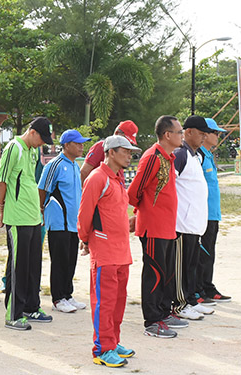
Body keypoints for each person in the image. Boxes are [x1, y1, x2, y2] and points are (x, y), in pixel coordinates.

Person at [78, 135, 140, 368]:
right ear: (111, 153)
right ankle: (102, 349)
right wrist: (85, 239)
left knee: (118, 301)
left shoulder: (117, 178)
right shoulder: (97, 178)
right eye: (125, 151)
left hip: (122, 251)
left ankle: (113, 341)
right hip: (104, 251)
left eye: (130, 152)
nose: (129, 155)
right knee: (104, 301)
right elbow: (85, 214)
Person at [127, 115, 183, 338]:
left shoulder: (168, 157)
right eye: (179, 132)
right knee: (154, 274)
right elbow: (135, 191)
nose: (182, 135)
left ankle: (163, 312)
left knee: (166, 273)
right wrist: (140, 214)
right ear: (167, 135)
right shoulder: (152, 157)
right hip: (153, 227)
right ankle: (152, 320)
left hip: (167, 226)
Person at [0, 116, 54, 330]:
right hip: (17, 217)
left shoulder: (32, 151)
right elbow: (1, 180)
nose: (42, 143)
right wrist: (2, 209)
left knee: (33, 266)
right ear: (32, 132)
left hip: (33, 216)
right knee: (18, 266)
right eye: (41, 138)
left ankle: (31, 307)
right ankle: (14, 313)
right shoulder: (14, 147)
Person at [38, 129, 89, 314]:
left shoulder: (75, 165)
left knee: (70, 260)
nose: (81, 147)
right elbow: (42, 189)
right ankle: (58, 298)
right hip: (59, 222)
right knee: (59, 261)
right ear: (66, 145)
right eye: (78, 144)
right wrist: (43, 210)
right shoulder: (55, 164)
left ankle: (68, 294)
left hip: (73, 222)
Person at [171, 115, 213, 320]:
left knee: (191, 266)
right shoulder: (180, 154)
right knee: (181, 267)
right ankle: (179, 304)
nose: (204, 137)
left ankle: (189, 300)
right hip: (182, 223)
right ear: (188, 132)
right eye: (201, 133)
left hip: (195, 224)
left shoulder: (196, 156)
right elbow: (170, 185)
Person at [196, 118, 232, 304]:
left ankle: (208, 287)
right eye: (215, 133)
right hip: (202, 215)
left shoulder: (208, 155)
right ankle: (198, 290)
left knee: (209, 252)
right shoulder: (198, 156)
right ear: (204, 134)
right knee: (202, 254)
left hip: (213, 214)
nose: (218, 136)